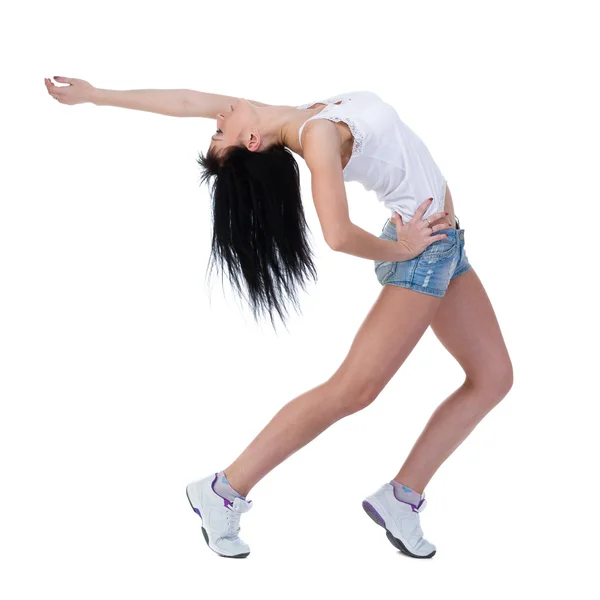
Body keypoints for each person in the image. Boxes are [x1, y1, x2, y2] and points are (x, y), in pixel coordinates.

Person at [45, 79, 514, 560]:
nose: (216, 120)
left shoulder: (290, 115)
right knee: (354, 389)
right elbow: (336, 234)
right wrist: (403, 249)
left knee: (494, 377)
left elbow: (186, 100)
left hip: (446, 247)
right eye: (218, 133)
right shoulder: (316, 136)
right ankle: (223, 490)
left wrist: (97, 94)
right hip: (422, 254)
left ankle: (402, 498)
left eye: (214, 129)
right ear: (251, 141)